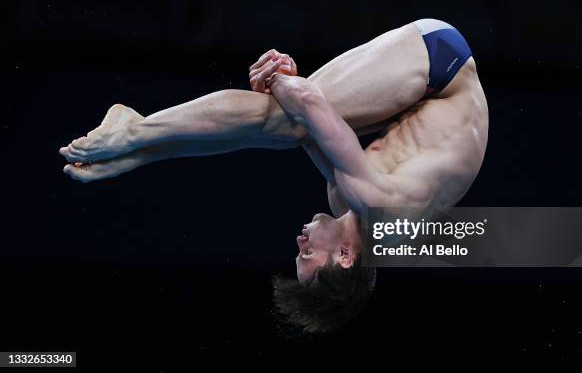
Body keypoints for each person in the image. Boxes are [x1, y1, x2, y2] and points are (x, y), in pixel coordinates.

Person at [59, 19, 489, 332]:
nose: (299, 242)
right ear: (344, 258)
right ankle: (135, 132)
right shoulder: (378, 205)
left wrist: (283, 83)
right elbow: (306, 102)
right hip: (439, 61)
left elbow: (308, 133)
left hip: (423, 92)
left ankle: (141, 147)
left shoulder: (348, 208)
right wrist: (281, 78)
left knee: (284, 129)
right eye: (306, 255)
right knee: (288, 120)